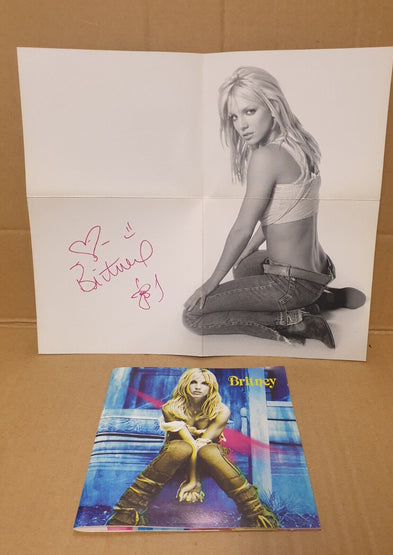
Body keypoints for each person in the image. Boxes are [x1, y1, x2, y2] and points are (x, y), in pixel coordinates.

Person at [183, 66, 365, 348]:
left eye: (249, 111)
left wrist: (210, 283)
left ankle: (295, 320)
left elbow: (242, 228)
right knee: (244, 266)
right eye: (234, 117)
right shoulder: (301, 143)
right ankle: (323, 298)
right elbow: (283, 212)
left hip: (291, 284)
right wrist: (251, 248)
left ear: (272, 105)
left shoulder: (266, 157)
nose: (241, 125)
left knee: (193, 316)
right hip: (319, 269)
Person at [107, 368, 278, 528]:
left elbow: (200, 444)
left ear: (211, 388)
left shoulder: (221, 411)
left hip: (208, 457)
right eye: (193, 382)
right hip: (176, 456)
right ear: (185, 384)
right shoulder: (171, 408)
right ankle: (127, 512)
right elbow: (190, 444)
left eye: (204, 383)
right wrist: (192, 480)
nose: (198, 387)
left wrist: (194, 481)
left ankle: (256, 514)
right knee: (181, 448)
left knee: (209, 451)